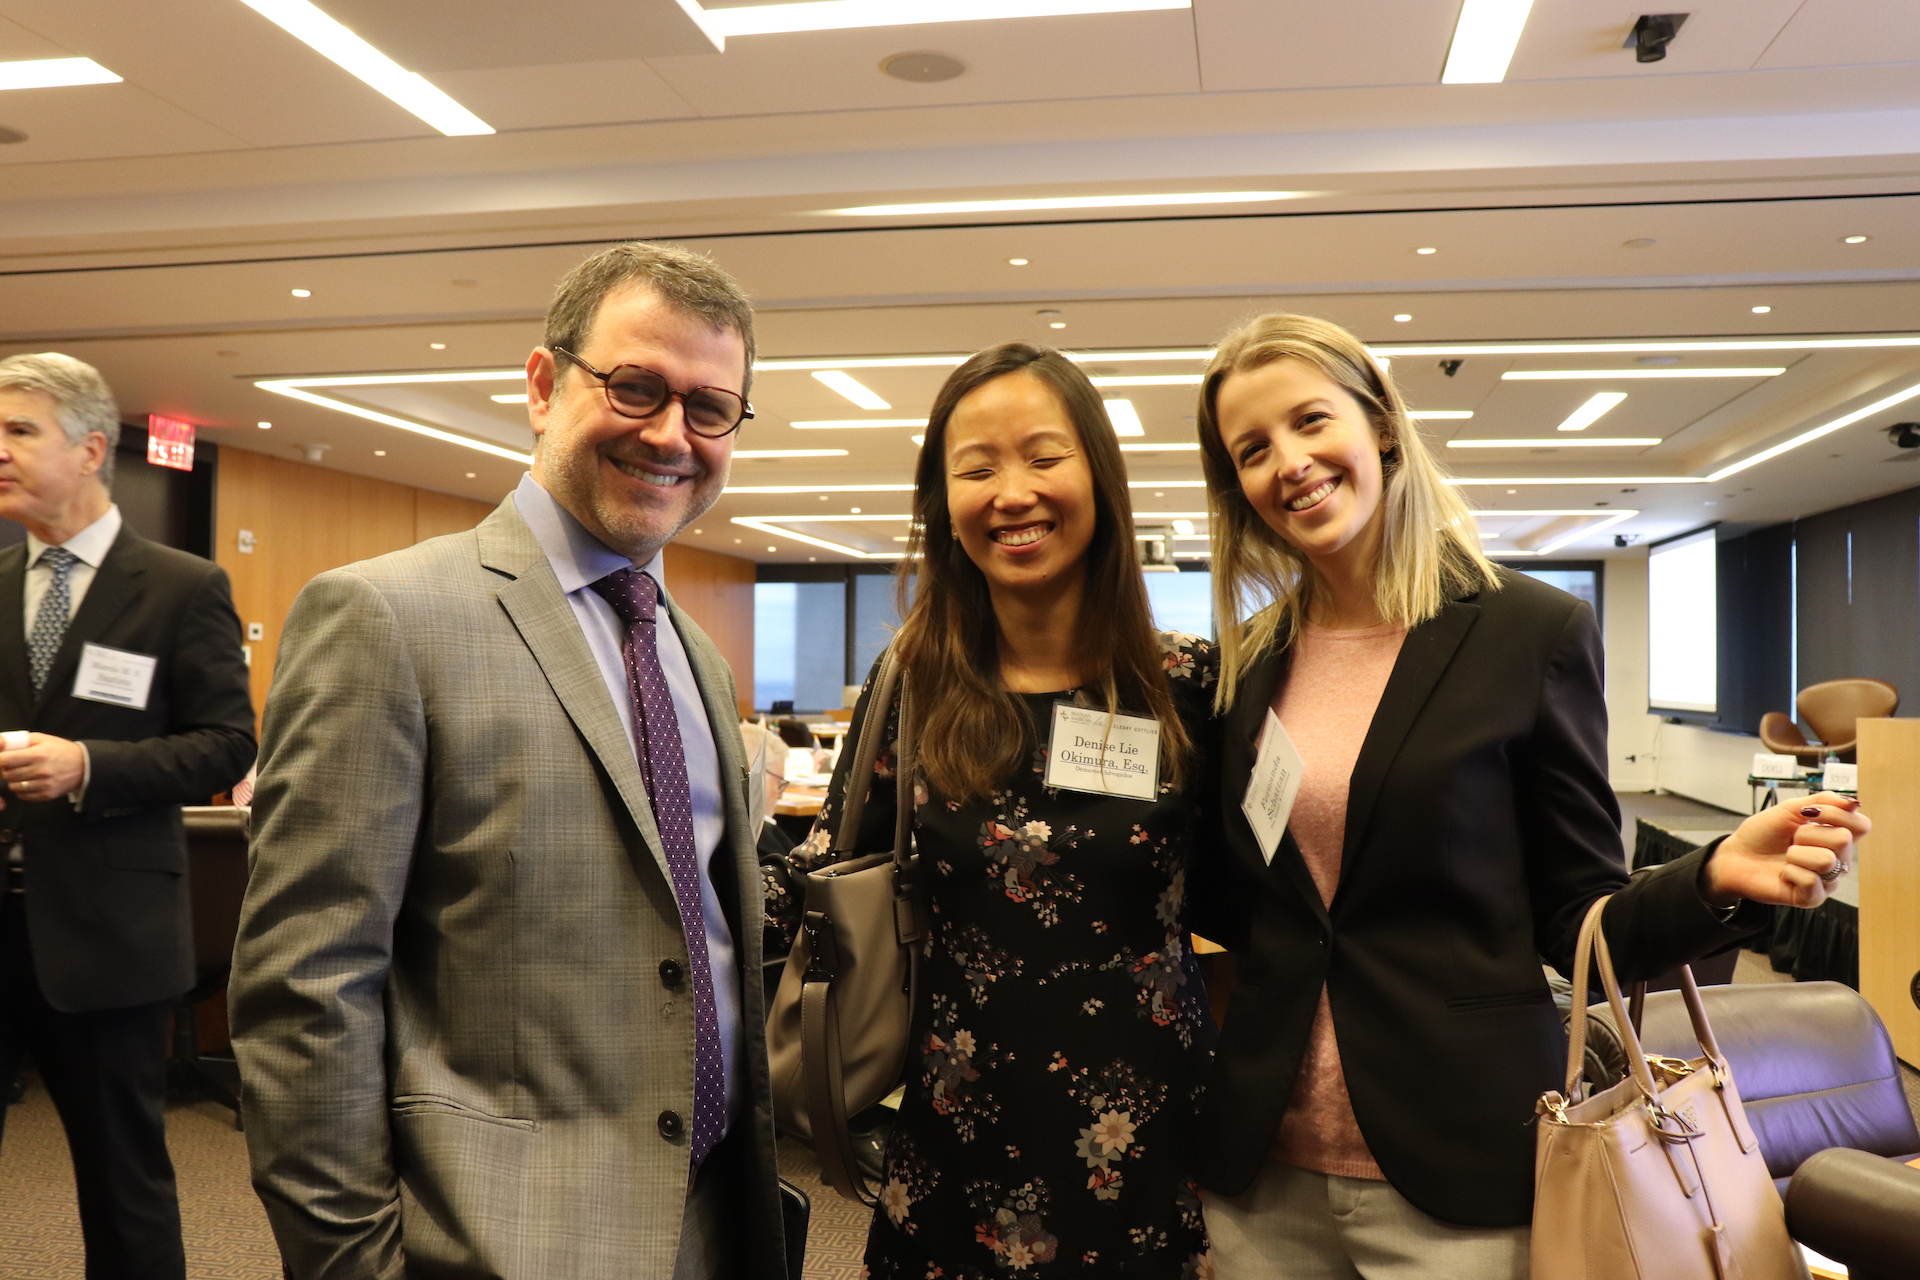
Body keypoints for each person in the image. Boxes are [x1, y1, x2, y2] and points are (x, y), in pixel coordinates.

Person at [1184, 313, 1870, 1279]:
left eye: (1310, 421)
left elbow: (1576, 913)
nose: (1288, 463)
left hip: (1461, 1163)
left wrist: (1712, 877)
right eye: (1252, 449)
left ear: (1380, 424)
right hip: (1267, 1171)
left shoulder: (1528, 631)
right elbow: (1246, 904)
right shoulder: (1251, 662)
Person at [229, 242, 788, 1280]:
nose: (671, 434)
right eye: (636, 387)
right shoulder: (386, 618)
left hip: (713, 1222)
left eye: (710, 408)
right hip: (495, 1239)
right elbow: (305, 989)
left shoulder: (697, 658)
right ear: (542, 385)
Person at [773, 342, 1216, 1278]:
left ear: (1100, 477)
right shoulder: (914, 684)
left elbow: (1264, 904)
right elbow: (822, 872)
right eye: (976, 469)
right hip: (953, 1151)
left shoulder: (1185, 682)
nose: (1013, 494)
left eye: (1045, 457)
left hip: (1152, 1153)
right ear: (943, 504)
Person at [0, 351, 256, 1280]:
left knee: (123, 1185)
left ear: (90, 448)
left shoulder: (183, 586)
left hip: (107, 935)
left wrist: (88, 766)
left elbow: (226, 745)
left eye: (19, 430)